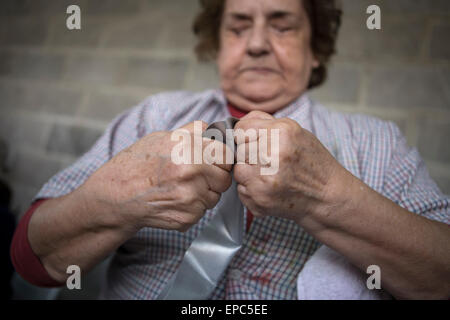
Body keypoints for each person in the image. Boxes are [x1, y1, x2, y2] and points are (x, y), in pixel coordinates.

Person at [11, 0, 450, 299]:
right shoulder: (152, 116)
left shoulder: (379, 142)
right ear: (218, 46)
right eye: (238, 27)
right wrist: (120, 194)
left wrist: (328, 196)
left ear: (315, 51)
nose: (257, 43)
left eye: (282, 25)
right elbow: (33, 259)